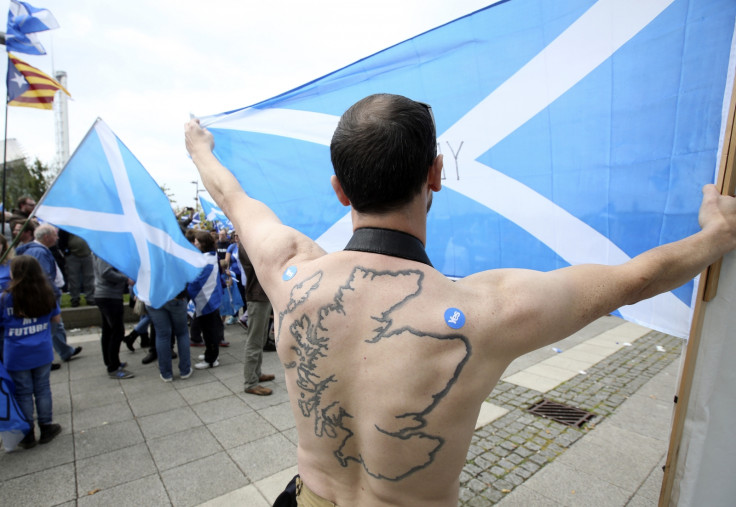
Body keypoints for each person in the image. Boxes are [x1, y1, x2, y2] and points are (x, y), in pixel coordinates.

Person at [185, 93, 736, 506]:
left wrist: (198, 147)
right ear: (436, 174)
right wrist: (714, 236)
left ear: (339, 190)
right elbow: (634, 280)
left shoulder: (290, 273)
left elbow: (230, 196)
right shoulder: (487, 310)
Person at [0, 255, 63, 449]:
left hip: (16, 352)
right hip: (42, 349)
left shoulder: (5, 297)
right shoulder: (46, 293)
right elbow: (56, 319)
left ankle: (27, 434)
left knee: (23, 392)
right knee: (43, 388)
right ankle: (46, 426)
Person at [16, 224, 81, 364]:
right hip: (46, 295)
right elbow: (44, 277)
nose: (57, 238)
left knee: (56, 325)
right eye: (55, 235)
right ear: (46, 237)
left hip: (46, 294)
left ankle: (65, 351)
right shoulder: (40, 252)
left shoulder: (38, 250)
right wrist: (54, 292)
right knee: (51, 326)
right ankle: (43, 359)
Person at [237, 245, 275, 396]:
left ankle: (256, 373)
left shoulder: (250, 243)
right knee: (254, 340)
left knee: (260, 338)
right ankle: (251, 382)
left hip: (262, 295)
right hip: (257, 296)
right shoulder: (247, 245)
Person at [93, 254, 135, 379]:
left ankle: (111, 362)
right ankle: (113, 367)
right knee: (117, 331)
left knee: (108, 330)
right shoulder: (104, 252)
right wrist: (126, 279)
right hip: (109, 296)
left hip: (106, 295)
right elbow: (106, 273)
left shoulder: (100, 250)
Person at [189, 230, 224, 370]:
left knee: (209, 331)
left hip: (206, 301)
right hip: (212, 299)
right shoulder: (211, 257)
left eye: (196, 241)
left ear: (202, 244)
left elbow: (195, 281)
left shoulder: (204, 261)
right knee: (211, 330)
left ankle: (211, 359)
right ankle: (211, 353)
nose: (194, 243)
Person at [59, 230, 95, 307]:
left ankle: (90, 297)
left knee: (90, 276)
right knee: (73, 278)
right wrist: (66, 252)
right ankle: (75, 298)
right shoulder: (67, 225)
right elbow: (61, 240)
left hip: (87, 253)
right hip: (72, 254)